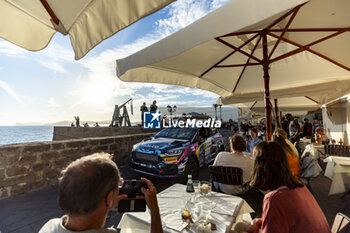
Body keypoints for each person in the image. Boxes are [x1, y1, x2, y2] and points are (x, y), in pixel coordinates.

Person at [39, 153, 163, 233]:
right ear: (109, 199)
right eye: (118, 186)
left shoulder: (49, 226)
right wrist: (154, 209)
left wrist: (104, 205)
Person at [244, 142, 331, 233]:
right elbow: (294, 221)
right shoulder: (300, 187)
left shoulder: (274, 199)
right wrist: (261, 221)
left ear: (259, 167)